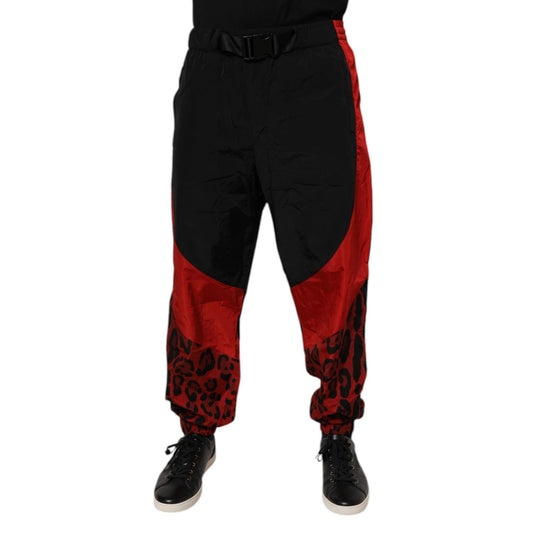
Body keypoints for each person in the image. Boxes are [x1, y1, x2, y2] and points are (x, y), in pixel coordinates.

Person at [154, 0, 373, 515]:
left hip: (310, 65)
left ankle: (338, 431)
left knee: (332, 258)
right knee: (202, 256)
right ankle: (197, 430)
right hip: (213, 66)